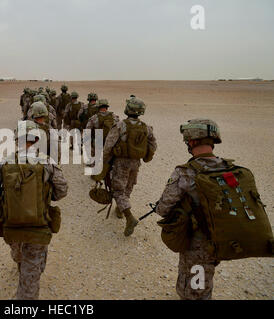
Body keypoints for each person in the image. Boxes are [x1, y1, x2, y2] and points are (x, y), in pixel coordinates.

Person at [155, 118, 274, 300]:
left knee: (196, 290)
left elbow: (163, 209)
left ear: (192, 141)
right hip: (223, 238)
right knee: (202, 279)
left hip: (199, 244)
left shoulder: (185, 172)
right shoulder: (230, 168)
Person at [0, 120, 68, 299]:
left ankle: (20, 264)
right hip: (38, 226)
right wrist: (45, 198)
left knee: (18, 252)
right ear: (36, 139)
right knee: (32, 269)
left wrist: (8, 209)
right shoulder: (47, 162)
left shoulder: (4, 163)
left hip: (11, 225)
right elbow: (62, 190)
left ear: (16, 139)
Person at [103, 96, 157, 236]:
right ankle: (120, 209)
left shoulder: (121, 125)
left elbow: (108, 145)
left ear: (128, 109)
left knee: (118, 190)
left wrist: (104, 162)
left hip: (121, 162)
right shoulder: (146, 127)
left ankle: (129, 217)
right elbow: (153, 145)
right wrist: (146, 156)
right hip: (136, 162)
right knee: (128, 186)